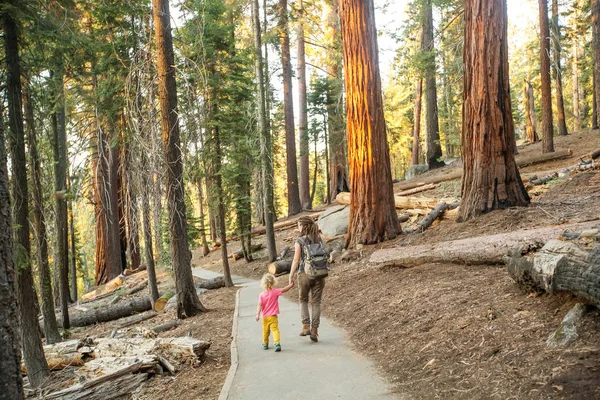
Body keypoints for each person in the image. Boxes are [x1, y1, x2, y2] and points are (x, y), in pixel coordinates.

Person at [289, 216, 326, 342]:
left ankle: (306, 326)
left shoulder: (299, 240)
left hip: (304, 273)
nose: (298, 227)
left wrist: (291, 275)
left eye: (299, 225)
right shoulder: (318, 238)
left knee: (303, 299)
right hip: (320, 273)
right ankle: (315, 330)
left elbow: (296, 260)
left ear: (303, 226)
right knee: (316, 302)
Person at [256, 273, 294, 352]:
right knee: (275, 330)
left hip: (265, 317)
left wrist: (257, 314)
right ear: (273, 282)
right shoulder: (275, 292)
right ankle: (277, 344)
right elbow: (284, 289)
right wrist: (291, 285)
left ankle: (265, 344)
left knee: (265, 331)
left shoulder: (261, 295)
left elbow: (259, 305)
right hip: (273, 316)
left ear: (263, 284)